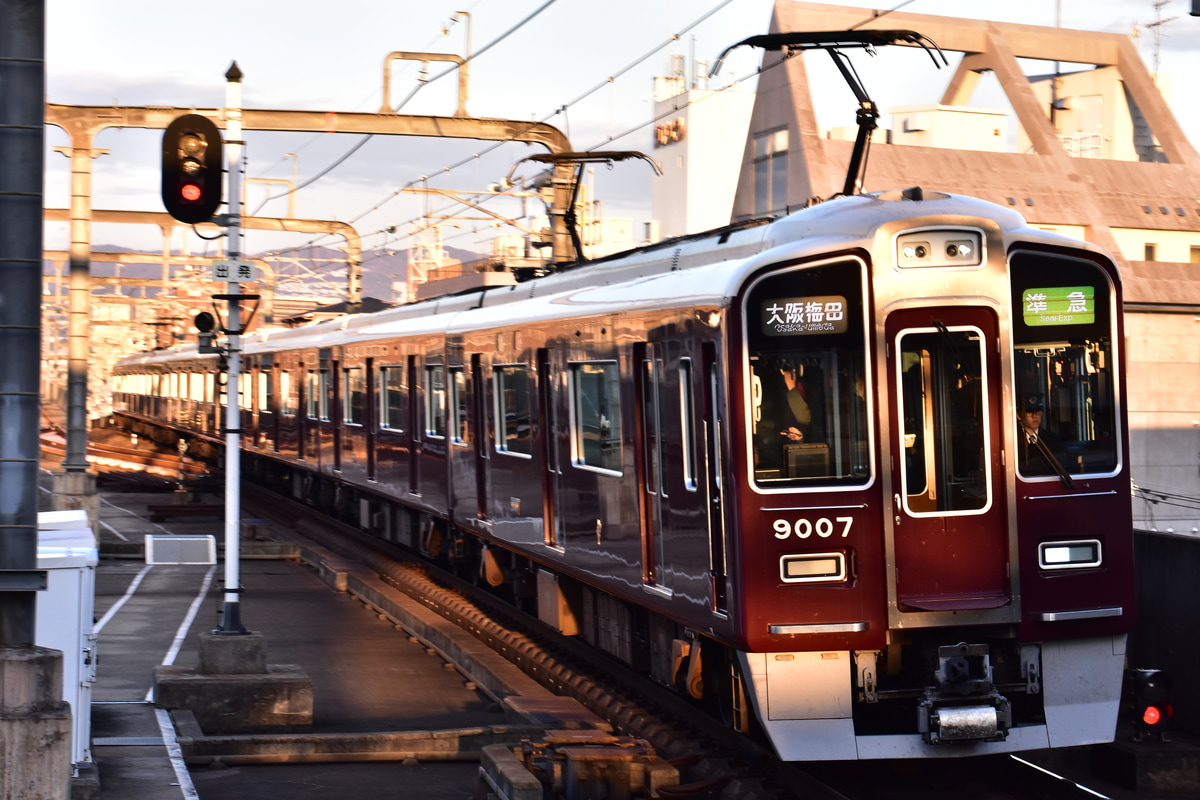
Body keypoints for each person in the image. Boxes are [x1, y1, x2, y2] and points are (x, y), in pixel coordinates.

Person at [1017, 393, 1063, 475]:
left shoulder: (1053, 439)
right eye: (1030, 412)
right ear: (1019, 415)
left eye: (1038, 411)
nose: (1035, 416)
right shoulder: (1013, 441)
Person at [778, 359, 811, 443]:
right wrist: (791, 386)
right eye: (794, 436)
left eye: (791, 437)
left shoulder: (786, 424)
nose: (791, 435)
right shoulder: (804, 419)